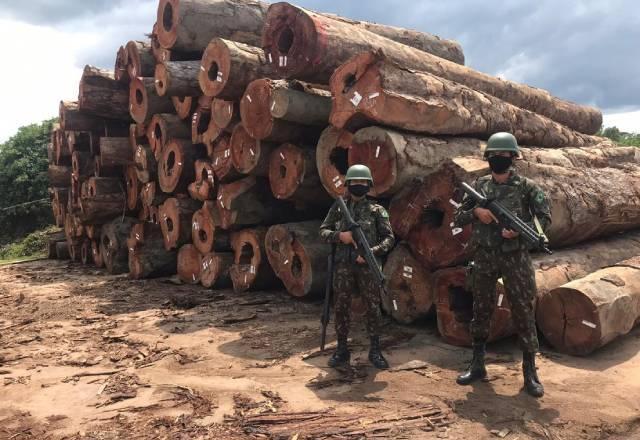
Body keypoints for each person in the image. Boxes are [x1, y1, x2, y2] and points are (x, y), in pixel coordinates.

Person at [453, 132, 551, 398]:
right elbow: (458, 216)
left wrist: (522, 231)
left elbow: (545, 219)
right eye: (495, 155)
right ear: (488, 158)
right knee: (481, 308)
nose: (499, 158)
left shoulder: (527, 187)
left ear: (513, 157)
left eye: (504, 155)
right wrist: (476, 212)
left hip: (515, 258)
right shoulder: (479, 186)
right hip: (484, 255)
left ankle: (530, 371)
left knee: (522, 310)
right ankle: (477, 364)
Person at [319, 164, 395, 369]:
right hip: (343, 266)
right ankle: (341, 349)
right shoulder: (338, 208)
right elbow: (323, 231)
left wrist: (373, 252)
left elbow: (389, 238)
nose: (358, 186)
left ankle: (375, 350)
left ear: (368, 185)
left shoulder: (377, 210)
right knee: (342, 307)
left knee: (373, 308)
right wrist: (339, 236)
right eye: (354, 182)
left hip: (367, 267)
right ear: (348, 184)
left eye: (362, 183)